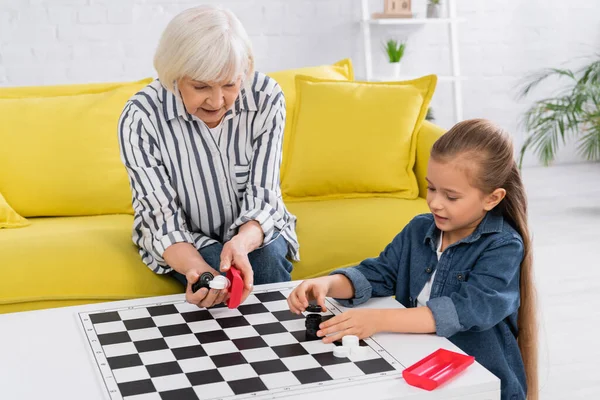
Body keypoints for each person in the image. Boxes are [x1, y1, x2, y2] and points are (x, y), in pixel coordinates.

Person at [287, 119, 538, 400]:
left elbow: (463, 311)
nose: (435, 203)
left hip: (477, 381)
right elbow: (380, 273)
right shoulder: (419, 228)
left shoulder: (502, 246)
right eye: (431, 188)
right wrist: (329, 283)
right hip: (417, 367)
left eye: (451, 196)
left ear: (492, 199)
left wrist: (377, 320)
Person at [118, 5, 299, 309]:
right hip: (186, 237)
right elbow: (163, 222)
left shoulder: (267, 98)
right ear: (174, 78)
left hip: (254, 230)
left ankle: (275, 350)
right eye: (200, 86)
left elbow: (264, 198)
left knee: (263, 263)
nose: (217, 101)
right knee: (219, 275)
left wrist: (241, 243)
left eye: (230, 84)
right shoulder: (140, 117)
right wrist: (196, 269)